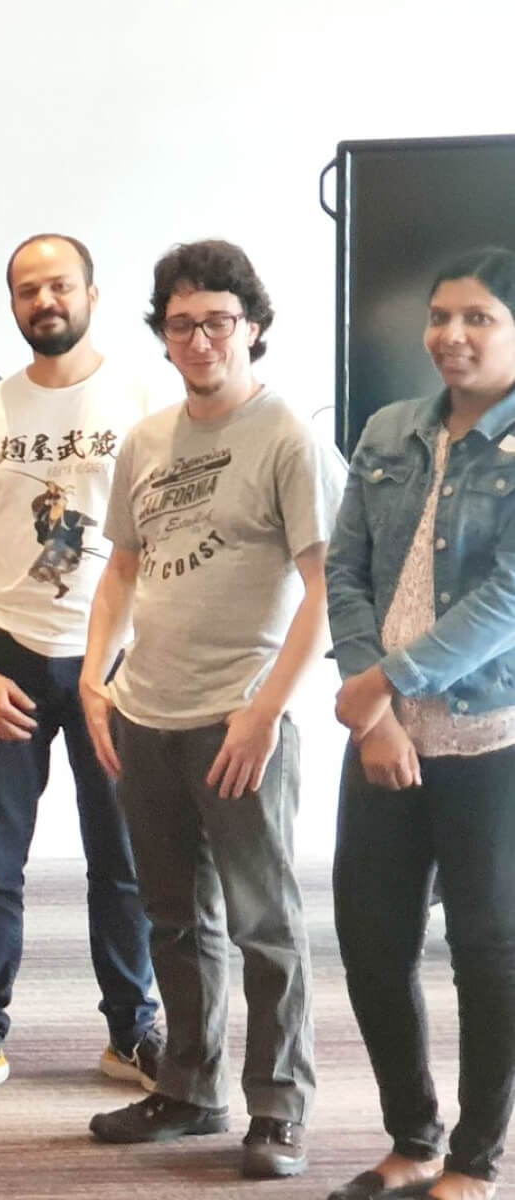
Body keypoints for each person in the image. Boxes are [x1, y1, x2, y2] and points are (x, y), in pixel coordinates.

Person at [80, 240, 339, 1178]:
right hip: (146, 715)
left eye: (218, 321)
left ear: (252, 328)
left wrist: (266, 710)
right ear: (163, 335)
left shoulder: (288, 437)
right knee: (174, 918)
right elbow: (121, 567)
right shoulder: (148, 441)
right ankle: (189, 1089)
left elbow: (326, 586)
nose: (199, 340)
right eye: (181, 323)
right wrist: (95, 678)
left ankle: (279, 1109)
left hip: (239, 720)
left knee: (264, 924)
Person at [0, 234, 161, 1103]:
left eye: (59, 285)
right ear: (14, 305)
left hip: (116, 660)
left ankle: (133, 1027)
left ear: (92, 293)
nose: (44, 301)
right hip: (7, 656)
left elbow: (163, 542)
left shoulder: (145, 401)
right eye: (28, 290)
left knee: (123, 857)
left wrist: (137, 659)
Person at [324, 247, 515, 1200]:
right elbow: (345, 571)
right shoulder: (388, 430)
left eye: (479, 317)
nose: (452, 334)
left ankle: (475, 1159)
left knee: (488, 952)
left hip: (491, 739)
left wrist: (386, 680)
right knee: (370, 940)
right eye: (441, 316)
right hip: (385, 737)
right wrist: (375, 709)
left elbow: (508, 600)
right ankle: (414, 1138)